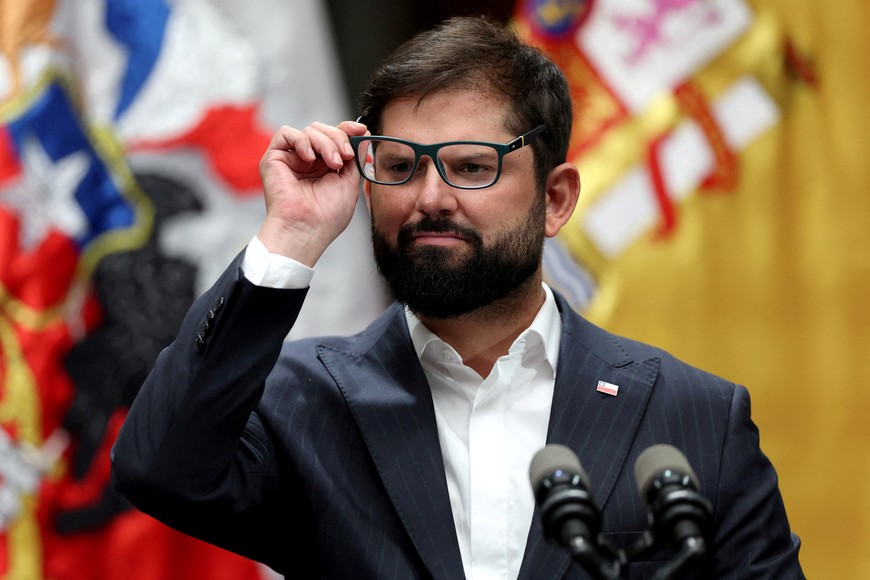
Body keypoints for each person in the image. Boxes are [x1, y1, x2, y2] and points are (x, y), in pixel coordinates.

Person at [111, 15, 803, 579]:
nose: (430, 199)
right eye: (401, 167)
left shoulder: (695, 418)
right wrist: (289, 235)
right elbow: (158, 468)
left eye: (472, 166)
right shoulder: (307, 401)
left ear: (555, 200)